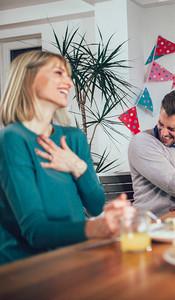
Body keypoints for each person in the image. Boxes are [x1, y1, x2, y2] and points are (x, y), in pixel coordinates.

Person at [0, 50, 133, 265]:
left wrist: (78, 166)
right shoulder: (13, 139)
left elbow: (97, 205)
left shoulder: (74, 138)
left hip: (73, 256)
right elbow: (35, 231)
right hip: (27, 267)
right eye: (59, 72)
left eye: (68, 75)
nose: (69, 82)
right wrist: (98, 227)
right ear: (29, 78)